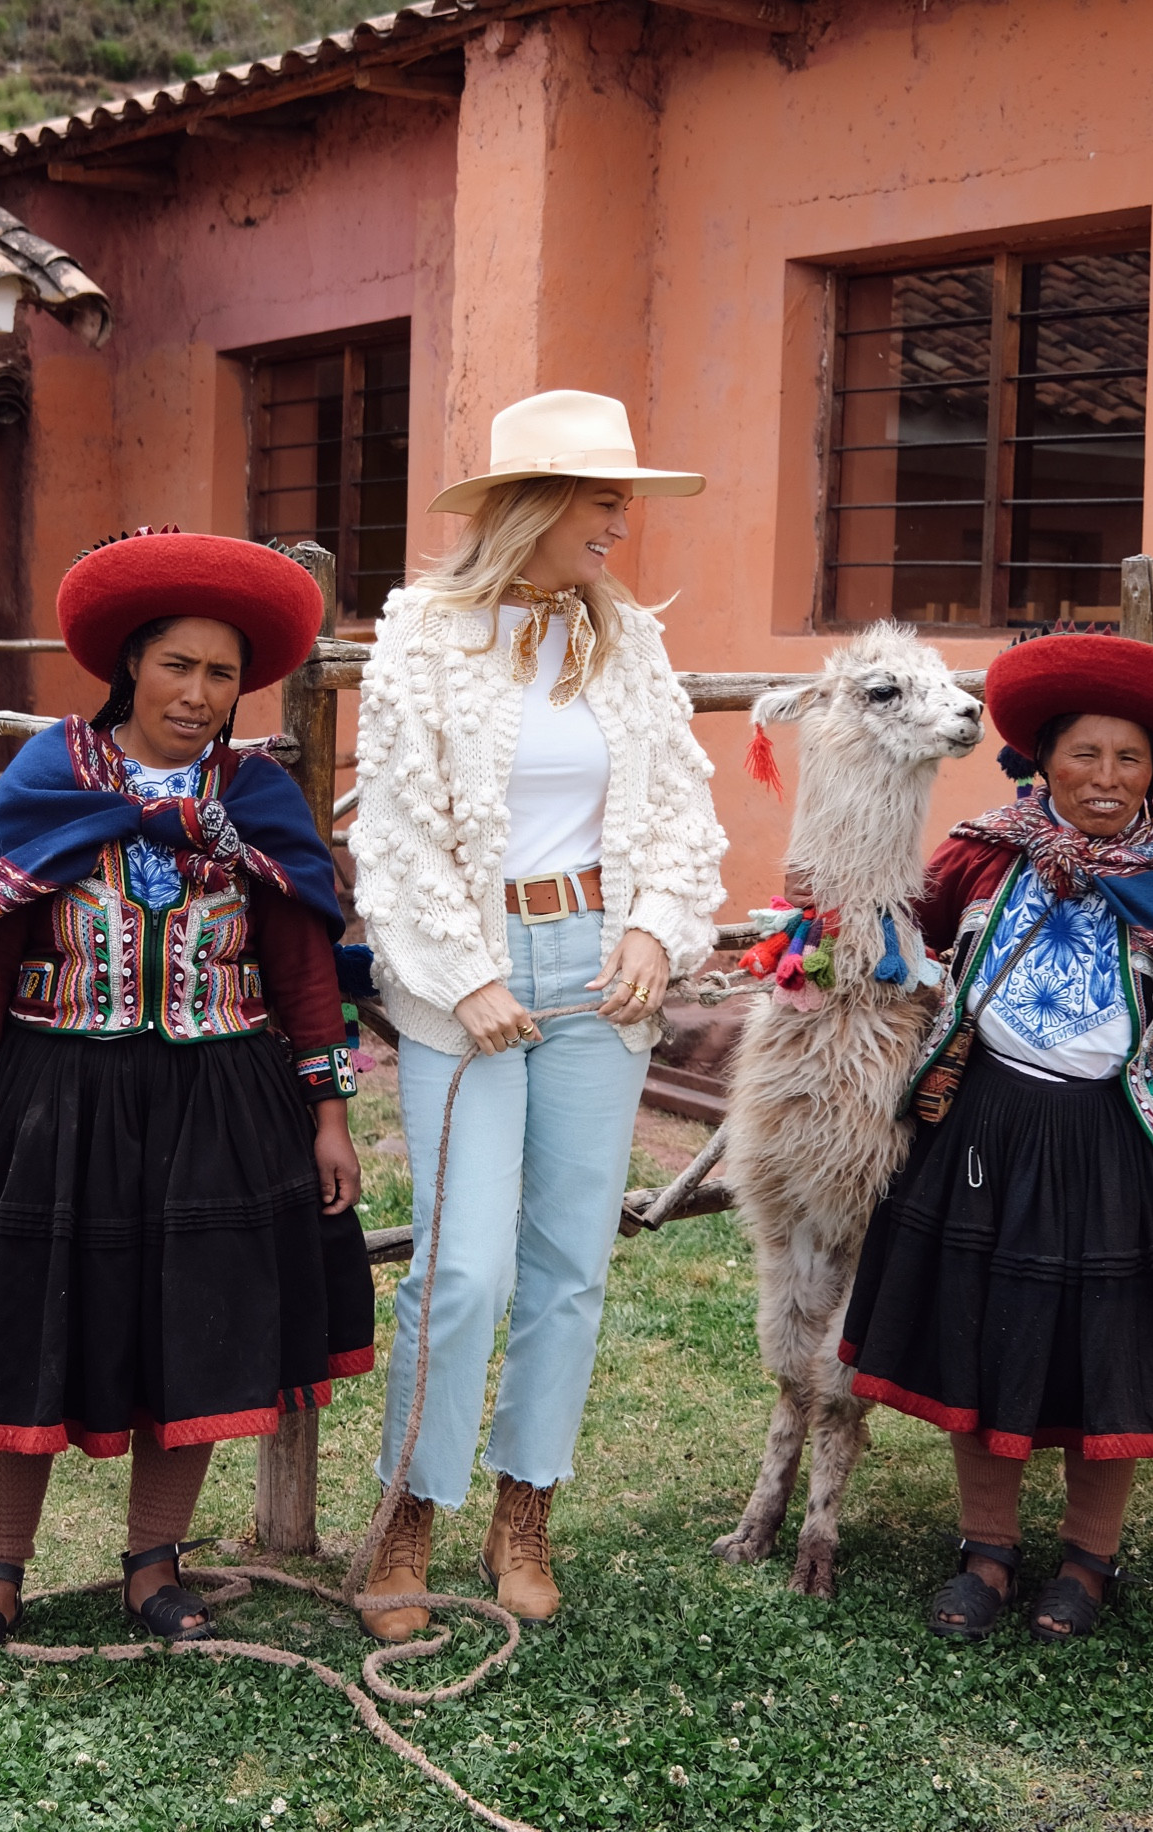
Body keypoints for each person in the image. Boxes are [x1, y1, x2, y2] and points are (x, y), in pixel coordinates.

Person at [0, 528, 374, 1655]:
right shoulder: (52, 776)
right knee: (27, 1321)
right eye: (177, 664)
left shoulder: (257, 800)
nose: (197, 693)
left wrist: (327, 1111)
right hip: (57, 1093)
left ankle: (153, 1567)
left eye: (222, 673)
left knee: (199, 1327)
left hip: (222, 1097)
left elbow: (302, 967)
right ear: (131, 662)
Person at [349, 389, 727, 1635]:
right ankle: (409, 1512)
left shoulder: (632, 643)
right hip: (471, 966)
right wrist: (465, 973)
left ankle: (527, 1510)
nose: (623, 520)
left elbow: (678, 809)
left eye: (625, 497)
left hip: (597, 964)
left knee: (569, 1264)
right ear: (537, 504)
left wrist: (653, 929)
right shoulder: (421, 635)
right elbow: (395, 830)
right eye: (606, 497)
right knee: (463, 1266)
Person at [839, 628, 1153, 1644]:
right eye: (1085, 753)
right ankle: (986, 1552)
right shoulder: (983, 851)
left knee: (1109, 1352)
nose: (1105, 777)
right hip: (983, 1132)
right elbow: (891, 928)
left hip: (1116, 1145)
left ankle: (1088, 1560)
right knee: (978, 1336)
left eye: (1129, 758)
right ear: (1041, 757)